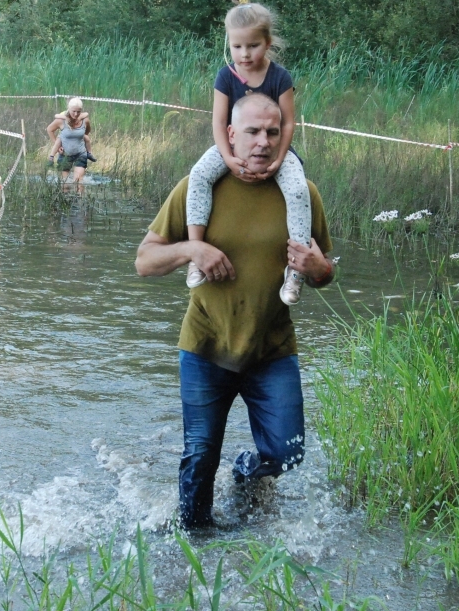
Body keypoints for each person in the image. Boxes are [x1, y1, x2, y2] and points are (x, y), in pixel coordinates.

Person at [135, 93, 336, 530]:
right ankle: (195, 545)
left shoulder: (303, 194)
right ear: (230, 134)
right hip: (205, 346)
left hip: (272, 350)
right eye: (252, 132)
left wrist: (319, 268)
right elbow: (144, 261)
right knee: (199, 457)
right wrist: (192, 249)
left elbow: (323, 273)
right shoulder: (197, 188)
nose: (263, 142)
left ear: (284, 135)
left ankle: (245, 474)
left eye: (272, 132)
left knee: (289, 452)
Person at [184, 0, 311, 307]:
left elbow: (288, 123)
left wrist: (279, 158)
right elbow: (217, 122)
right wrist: (227, 157)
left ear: (267, 43)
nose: (244, 53)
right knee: (198, 176)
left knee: (298, 190)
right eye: (237, 46)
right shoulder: (225, 76)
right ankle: (196, 253)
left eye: (252, 45)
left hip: (276, 147)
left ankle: (296, 271)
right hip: (231, 147)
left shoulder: (280, 77)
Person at [46, 97, 97, 185]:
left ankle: (80, 198)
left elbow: (87, 131)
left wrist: (82, 137)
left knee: (78, 182)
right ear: (68, 109)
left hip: (80, 153)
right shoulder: (61, 120)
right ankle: (51, 158)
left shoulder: (85, 120)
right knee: (65, 184)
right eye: (73, 111)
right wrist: (57, 146)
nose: (76, 114)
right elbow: (49, 130)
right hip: (65, 154)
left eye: (78, 111)